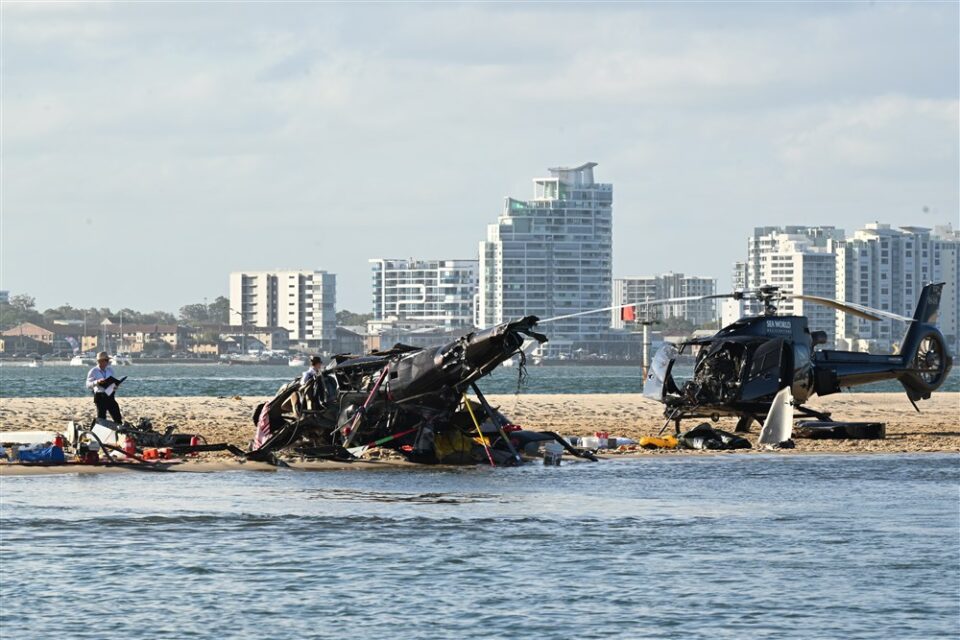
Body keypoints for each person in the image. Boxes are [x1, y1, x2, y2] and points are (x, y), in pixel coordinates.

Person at [86, 351, 123, 424]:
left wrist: (115, 386)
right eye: (106, 360)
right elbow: (88, 385)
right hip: (100, 396)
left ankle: (119, 431)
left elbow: (112, 382)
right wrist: (97, 382)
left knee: (117, 416)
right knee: (102, 418)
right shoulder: (93, 371)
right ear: (100, 361)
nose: (108, 362)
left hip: (110, 395)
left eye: (108, 360)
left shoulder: (110, 370)